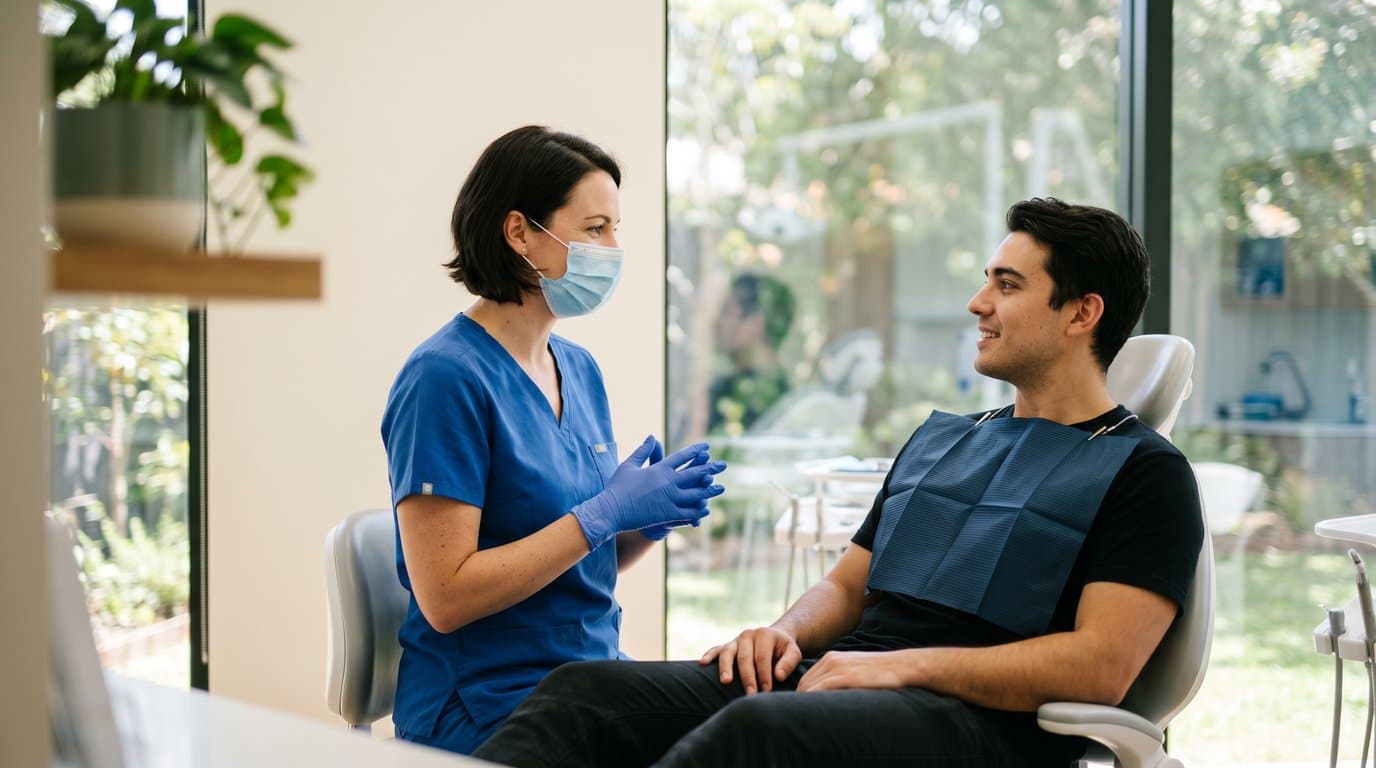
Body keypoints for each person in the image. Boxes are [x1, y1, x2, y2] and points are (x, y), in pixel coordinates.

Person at [473, 198, 1205, 768]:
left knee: (760, 734)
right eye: (986, 280)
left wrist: (898, 668)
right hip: (844, 681)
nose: (978, 303)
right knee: (585, 695)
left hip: (979, 727)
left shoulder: (1145, 473)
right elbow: (849, 587)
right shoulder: (947, 439)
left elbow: (1102, 666)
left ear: (1083, 313)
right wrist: (782, 633)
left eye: (1007, 285)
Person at [379, 126, 728, 755]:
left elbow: (578, 560)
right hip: (490, 703)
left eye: (616, 229)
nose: (614, 249)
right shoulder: (445, 378)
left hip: (591, 681)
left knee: (750, 723)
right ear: (520, 233)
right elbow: (446, 597)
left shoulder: (578, 369)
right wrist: (601, 513)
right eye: (595, 229)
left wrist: (642, 523)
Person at [706, 272, 796, 435]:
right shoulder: (787, 397)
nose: (717, 322)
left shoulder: (736, 397)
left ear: (755, 323)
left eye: (726, 312)